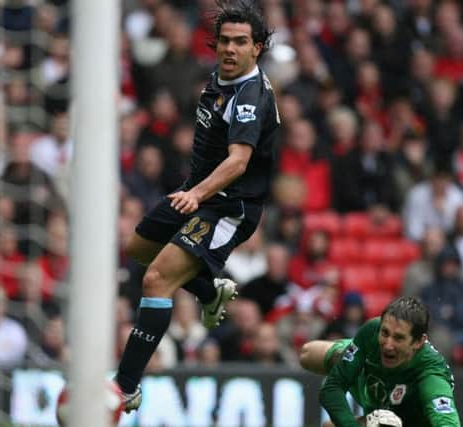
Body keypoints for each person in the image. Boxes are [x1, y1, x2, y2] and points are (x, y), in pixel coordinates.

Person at [113, 0, 279, 412]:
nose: (230, 49)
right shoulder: (219, 77)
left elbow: (239, 161)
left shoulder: (249, 95)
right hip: (199, 190)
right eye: (224, 41)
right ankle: (208, 290)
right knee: (137, 248)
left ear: (257, 48)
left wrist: (197, 195)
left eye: (241, 42)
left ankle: (126, 384)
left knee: (156, 280)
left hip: (227, 207)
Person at [300, 297, 461, 427]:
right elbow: (331, 388)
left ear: (419, 342)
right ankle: (348, 355)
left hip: (404, 421)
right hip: (366, 380)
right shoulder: (372, 331)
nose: (388, 345)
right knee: (308, 354)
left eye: (398, 338)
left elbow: (447, 422)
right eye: (385, 333)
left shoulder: (432, 374)